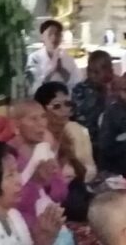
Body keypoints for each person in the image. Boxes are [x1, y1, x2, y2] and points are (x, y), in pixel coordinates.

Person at [35, 81, 96, 221]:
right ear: (42, 110)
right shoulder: (41, 137)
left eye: (68, 104)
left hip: (70, 188)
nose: (65, 110)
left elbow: (86, 169)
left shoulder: (72, 131)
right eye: (57, 106)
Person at [7, 99, 69, 230]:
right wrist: (34, 180)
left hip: (50, 223)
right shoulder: (8, 155)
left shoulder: (44, 150)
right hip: (21, 225)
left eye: (43, 117)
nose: (42, 124)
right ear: (16, 125)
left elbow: (62, 193)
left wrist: (47, 184)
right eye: (33, 119)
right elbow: (11, 201)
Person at [71, 50, 114, 145]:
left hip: (110, 139)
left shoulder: (115, 87)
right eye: (90, 70)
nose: (93, 75)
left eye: (97, 71)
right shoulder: (80, 89)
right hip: (87, 138)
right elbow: (83, 116)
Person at [26, 19, 79, 92]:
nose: (54, 37)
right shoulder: (34, 58)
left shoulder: (67, 57)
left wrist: (61, 70)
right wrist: (52, 71)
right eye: (50, 34)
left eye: (57, 34)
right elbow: (34, 85)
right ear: (42, 37)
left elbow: (75, 81)